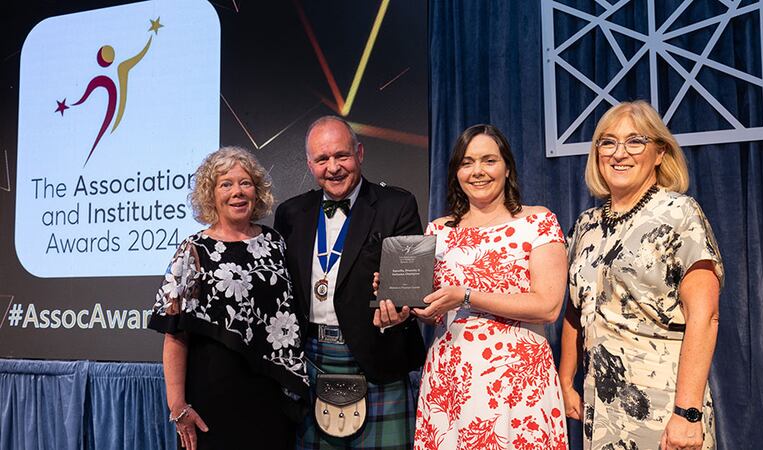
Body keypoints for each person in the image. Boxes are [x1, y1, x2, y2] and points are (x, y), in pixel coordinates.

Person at [375, 124, 569, 448]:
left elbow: (547, 306)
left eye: (488, 160)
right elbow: (432, 311)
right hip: (451, 379)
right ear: (456, 173)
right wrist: (398, 296)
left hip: (517, 379)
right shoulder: (438, 229)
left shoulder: (537, 221)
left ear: (507, 167)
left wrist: (465, 296)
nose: (477, 171)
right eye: (467, 162)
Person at [559, 100, 724, 450]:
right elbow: (575, 309)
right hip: (599, 409)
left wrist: (688, 412)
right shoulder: (585, 224)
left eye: (635, 141)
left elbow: (705, 316)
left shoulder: (679, 213)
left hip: (665, 409)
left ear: (660, 152)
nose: (620, 153)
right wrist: (565, 379)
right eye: (608, 142)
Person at [273, 116, 426, 449]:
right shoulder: (290, 213)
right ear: (309, 164)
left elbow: (409, 289)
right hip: (311, 359)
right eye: (322, 159)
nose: (333, 167)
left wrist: (403, 311)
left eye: (341, 156)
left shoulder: (397, 205)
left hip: (376, 356)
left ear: (359, 152)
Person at [149, 147, 308, 450]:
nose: (237, 192)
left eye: (245, 183)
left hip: (270, 398)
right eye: (226, 184)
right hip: (212, 400)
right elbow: (174, 335)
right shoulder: (194, 250)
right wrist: (178, 406)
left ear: (257, 191)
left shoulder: (276, 243)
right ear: (211, 195)